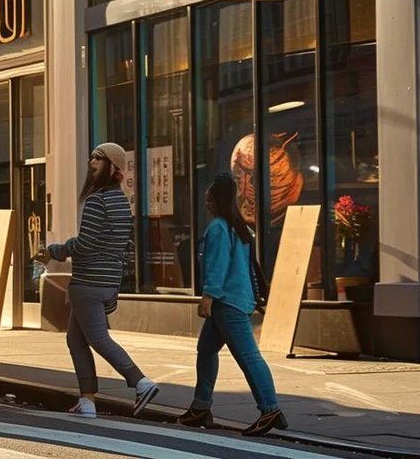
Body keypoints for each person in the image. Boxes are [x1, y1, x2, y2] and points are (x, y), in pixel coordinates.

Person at [36, 142, 157, 418]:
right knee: (75, 341)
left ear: (112, 168)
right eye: (92, 157)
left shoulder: (97, 200)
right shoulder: (123, 203)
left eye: (98, 159)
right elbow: (113, 246)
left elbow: (85, 243)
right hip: (107, 283)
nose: (91, 163)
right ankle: (88, 402)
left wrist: (55, 251)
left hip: (87, 283)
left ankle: (141, 382)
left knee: (99, 339)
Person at [177, 173, 286, 436]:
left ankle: (269, 408)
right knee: (206, 350)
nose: (205, 201)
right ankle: (201, 406)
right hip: (238, 299)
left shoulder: (218, 228)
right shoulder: (240, 227)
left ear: (217, 200)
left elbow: (218, 266)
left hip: (227, 302)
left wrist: (208, 298)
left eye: (208, 197)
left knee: (248, 356)